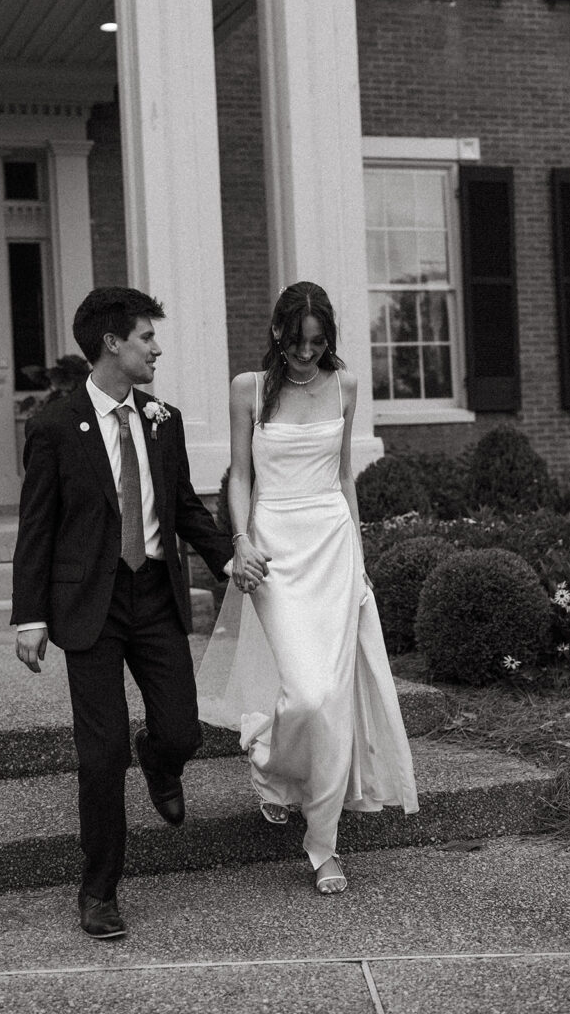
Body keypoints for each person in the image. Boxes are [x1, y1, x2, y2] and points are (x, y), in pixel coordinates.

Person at [11, 287, 263, 939]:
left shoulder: (163, 419)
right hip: (87, 606)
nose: (156, 347)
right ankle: (98, 893)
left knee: (180, 729)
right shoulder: (54, 426)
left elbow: (181, 506)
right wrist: (29, 616)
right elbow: (37, 527)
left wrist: (226, 558)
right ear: (111, 344)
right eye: (146, 336)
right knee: (100, 756)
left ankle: (161, 759)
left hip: (154, 594)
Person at [196, 281, 418, 894]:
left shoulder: (344, 385)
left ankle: (323, 846)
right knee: (306, 696)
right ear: (277, 335)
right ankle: (268, 764)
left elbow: (344, 475)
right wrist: (241, 540)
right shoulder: (250, 389)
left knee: (330, 699)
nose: (307, 355)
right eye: (297, 343)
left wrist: (361, 558)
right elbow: (239, 477)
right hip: (274, 552)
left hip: (333, 545)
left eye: (318, 345)